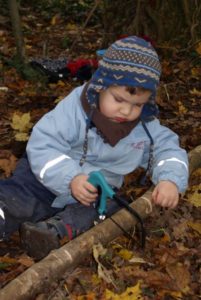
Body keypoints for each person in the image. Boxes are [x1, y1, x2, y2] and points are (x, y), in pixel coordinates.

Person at [0, 36, 188, 260]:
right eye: (118, 99)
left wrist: (170, 179)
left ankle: (54, 231)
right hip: (43, 180)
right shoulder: (75, 109)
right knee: (18, 201)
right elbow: (44, 144)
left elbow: (168, 148)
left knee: (111, 208)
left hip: (94, 193)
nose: (126, 111)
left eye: (137, 105)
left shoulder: (144, 126)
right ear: (101, 86)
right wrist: (71, 178)